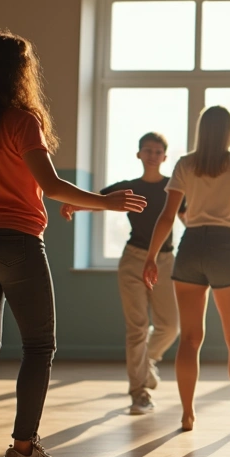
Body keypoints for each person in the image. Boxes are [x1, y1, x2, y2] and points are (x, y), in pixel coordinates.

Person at [0, 32, 146, 457]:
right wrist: (106, 202)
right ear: (19, 72)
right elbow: (50, 187)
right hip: (17, 241)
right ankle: (23, 451)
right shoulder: (22, 120)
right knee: (38, 346)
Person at [142, 105, 230, 434]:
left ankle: (187, 415)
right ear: (229, 133)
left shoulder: (185, 164)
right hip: (225, 248)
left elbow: (166, 215)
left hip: (190, 248)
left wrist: (151, 256)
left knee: (189, 340)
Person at [61, 132, 182, 416]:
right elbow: (97, 200)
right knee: (137, 328)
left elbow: (190, 217)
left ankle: (146, 361)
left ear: (165, 157)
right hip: (133, 261)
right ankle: (139, 392)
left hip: (165, 261)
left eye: (157, 151)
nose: (152, 155)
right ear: (138, 154)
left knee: (171, 326)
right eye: (147, 150)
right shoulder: (128, 188)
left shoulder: (174, 188)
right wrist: (73, 206)